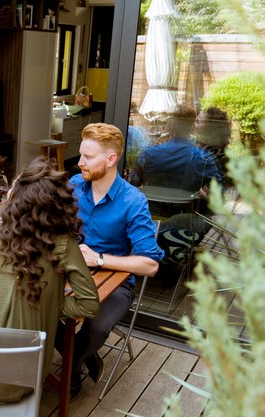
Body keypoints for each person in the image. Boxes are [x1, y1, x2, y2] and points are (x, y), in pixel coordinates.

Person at [0, 157, 100, 404]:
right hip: (25, 381)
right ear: (57, 207)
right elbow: (89, 303)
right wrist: (50, 306)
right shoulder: (64, 245)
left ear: (15, 202)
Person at [56, 123, 164, 399]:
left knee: (96, 326)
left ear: (110, 159)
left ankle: (73, 367)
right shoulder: (74, 186)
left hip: (115, 283)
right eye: (81, 155)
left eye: (87, 157)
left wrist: (100, 259)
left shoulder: (133, 201)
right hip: (68, 273)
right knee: (36, 303)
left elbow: (150, 265)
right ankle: (83, 359)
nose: (79, 162)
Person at [132, 104, 221, 194]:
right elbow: (220, 195)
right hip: (185, 207)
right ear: (193, 128)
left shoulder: (148, 154)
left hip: (150, 207)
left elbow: (132, 185)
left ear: (170, 126)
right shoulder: (204, 159)